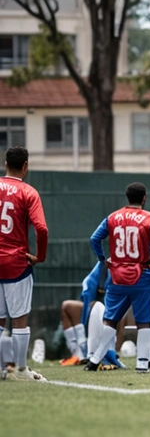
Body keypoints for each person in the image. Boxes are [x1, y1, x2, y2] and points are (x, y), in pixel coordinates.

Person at [85, 182, 150, 373]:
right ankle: (142, 363)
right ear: (144, 198)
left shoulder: (113, 217)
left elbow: (94, 239)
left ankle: (94, 360)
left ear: (127, 197)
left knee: (111, 319)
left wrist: (102, 259)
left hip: (117, 276)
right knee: (144, 321)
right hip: (142, 275)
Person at [0, 147, 48, 381]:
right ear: (26, 166)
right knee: (19, 318)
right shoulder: (28, 192)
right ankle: (20, 370)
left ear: (5, 163)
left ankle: (1, 369)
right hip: (16, 263)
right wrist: (40, 256)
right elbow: (41, 228)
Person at [59, 260, 110, 366]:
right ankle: (78, 352)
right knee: (67, 306)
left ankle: (111, 352)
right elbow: (88, 298)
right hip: (101, 311)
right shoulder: (100, 270)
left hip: (115, 310)